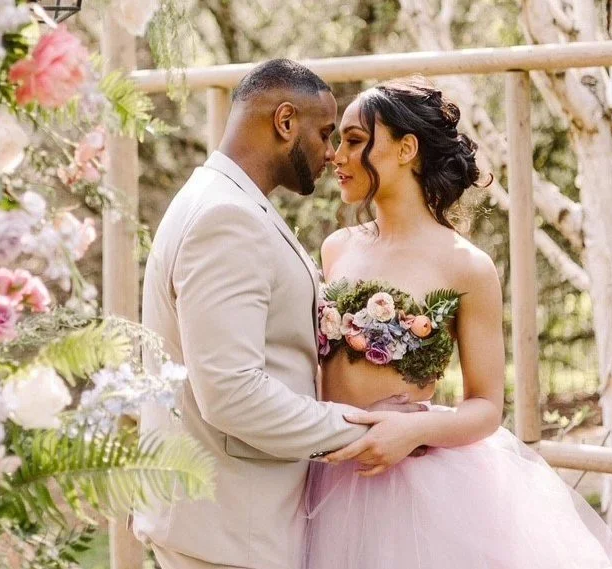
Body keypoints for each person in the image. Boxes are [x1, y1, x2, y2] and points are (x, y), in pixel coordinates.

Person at [303, 76, 612, 569]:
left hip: (413, 485)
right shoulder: (337, 248)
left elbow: (485, 407)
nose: (337, 156)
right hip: (329, 473)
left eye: (355, 141)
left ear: (406, 149)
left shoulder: (468, 266)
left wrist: (412, 431)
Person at [133, 59, 423, 569]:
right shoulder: (226, 218)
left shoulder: (226, 202)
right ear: (285, 121)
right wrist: (368, 429)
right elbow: (232, 394)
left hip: (231, 520)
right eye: (325, 133)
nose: (331, 153)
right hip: (228, 529)